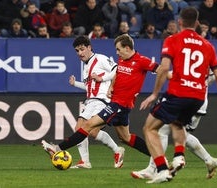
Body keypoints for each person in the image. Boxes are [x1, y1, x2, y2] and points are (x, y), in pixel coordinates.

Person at [139, 7, 217, 184]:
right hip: (198, 98)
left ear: (180, 22)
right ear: (197, 23)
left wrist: (154, 94)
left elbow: (163, 68)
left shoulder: (172, 39)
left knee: (149, 128)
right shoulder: (208, 45)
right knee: (177, 123)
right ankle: (179, 155)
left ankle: (161, 170)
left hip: (178, 93)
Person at [41, 34, 159, 168]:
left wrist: (106, 82)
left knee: (83, 126)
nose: (80, 53)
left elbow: (116, 71)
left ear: (89, 47)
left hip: (102, 100)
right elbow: (90, 86)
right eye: (77, 51)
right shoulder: (86, 67)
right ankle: (156, 156)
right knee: (121, 136)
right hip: (96, 100)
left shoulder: (100, 59)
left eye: (82, 49)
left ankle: (60, 150)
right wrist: (75, 84)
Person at [131, 72, 217, 180]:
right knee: (183, 133)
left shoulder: (188, 57)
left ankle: (154, 168)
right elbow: (216, 76)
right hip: (200, 101)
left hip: (186, 98)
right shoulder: (207, 59)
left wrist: (163, 73)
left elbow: (174, 73)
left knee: (161, 130)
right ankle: (208, 160)